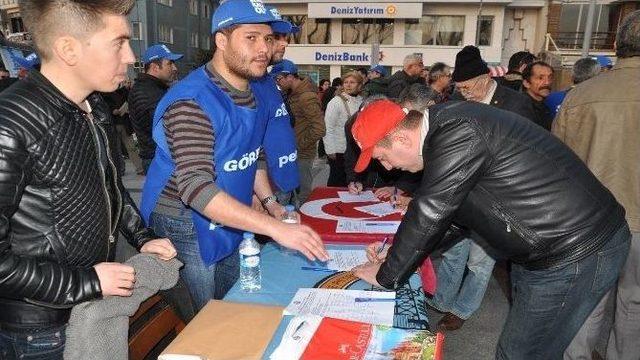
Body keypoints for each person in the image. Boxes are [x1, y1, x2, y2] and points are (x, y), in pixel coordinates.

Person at [351, 99, 630, 359]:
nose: (387, 167)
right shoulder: (448, 128)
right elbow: (453, 219)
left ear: (401, 138)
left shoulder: (457, 131)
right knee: (527, 346)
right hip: (548, 246)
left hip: (576, 251)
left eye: (382, 157)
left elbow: (431, 211)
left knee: (520, 352)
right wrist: (396, 256)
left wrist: (388, 275)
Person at [0, 0, 177, 357]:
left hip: (90, 308)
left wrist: (142, 238)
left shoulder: (94, 105)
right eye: (119, 43)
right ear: (68, 49)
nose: (130, 56)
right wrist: (89, 281)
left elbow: (111, 184)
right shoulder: (12, 122)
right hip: (41, 330)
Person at [140, 0, 329, 311]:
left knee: (237, 297)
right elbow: (195, 187)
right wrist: (275, 229)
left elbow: (251, 155)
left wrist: (271, 205)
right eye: (251, 37)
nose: (264, 49)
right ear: (221, 40)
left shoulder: (252, 91)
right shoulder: (193, 101)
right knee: (207, 314)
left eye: (268, 39)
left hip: (230, 211)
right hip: (185, 220)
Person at [554, 10, 640, 360]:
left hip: (590, 222)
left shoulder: (579, 96)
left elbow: (556, 166)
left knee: (587, 305)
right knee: (634, 305)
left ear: (617, 44)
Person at [271, 59, 324, 203]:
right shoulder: (292, 94)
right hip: (292, 153)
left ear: (290, 77)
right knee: (293, 193)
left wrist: (297, 145)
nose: (277, 82)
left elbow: (319, 129)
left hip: (302, 154)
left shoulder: (306, 97)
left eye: (279, 79)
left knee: (302, 194)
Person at [128, 44, 183, 174]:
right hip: (158, 159)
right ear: (154, 67)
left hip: (160, 158)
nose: (174, 68)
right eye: (170, 64)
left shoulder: (155, 89)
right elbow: (167, 128)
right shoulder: (147, 92)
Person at [453, 45, 536, 120]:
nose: (463, 93)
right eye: (459, 88)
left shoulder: (517, 104)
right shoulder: (455, 100)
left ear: (485, 79)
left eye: (466, 87)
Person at [323, 71, 364, 187]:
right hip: (339, 150)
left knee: (353, 181)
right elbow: (328, 127)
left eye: (352, 82)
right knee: (337, 181)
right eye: (346, 82)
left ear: (360, 85)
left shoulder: (362, 101)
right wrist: (330, 150)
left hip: (356, 150)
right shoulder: (336, 102)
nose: (348, 85)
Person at [522, 61, 554, 130]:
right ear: (526, 83)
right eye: (540, 78)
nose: (547, 82)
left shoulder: (545, 106)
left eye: (550, 78)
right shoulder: (522, 108)